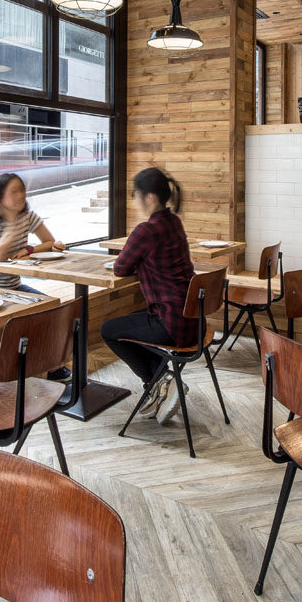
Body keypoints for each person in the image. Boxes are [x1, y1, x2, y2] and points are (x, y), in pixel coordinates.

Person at [100, 168, 195, 425]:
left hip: (170, 323)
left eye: (136, 195)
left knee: (109, 329)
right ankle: (162, 383)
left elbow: (121, 267)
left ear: (150, 197)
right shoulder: (174, 222)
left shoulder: (146, 230)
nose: (135, 200)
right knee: (130, 321)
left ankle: (158, 381)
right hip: (192, 320)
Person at [0, 172, 65, 290]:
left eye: (22, 190)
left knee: (53, 305)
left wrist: (28, 250)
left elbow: (50, 242)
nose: (21, 195)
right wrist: (11, 224)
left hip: (14, 287)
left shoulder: (28, 216)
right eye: (14, 192)